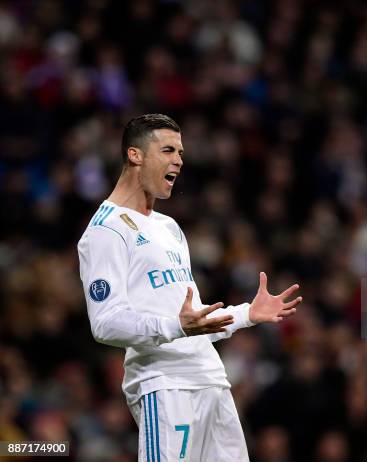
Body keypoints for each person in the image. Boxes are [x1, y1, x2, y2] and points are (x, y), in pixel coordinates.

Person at [77, 113, 302, 461]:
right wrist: (175, 326)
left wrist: (246, 314)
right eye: (168, 150)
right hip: (165, 387)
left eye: (181, 153)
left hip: (212, 381)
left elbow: (193, 320)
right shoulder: (105, 231)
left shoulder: (169, 227)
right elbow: (105, 324)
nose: (179, 161)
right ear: (135, 155)